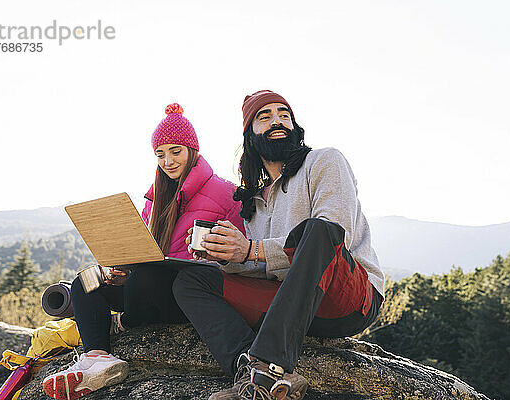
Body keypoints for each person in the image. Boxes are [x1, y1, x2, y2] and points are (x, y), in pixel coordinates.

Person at [173, 90, 385, 400]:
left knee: (318, 230)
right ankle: (247, 371)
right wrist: (226, 256)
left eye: (284, 115)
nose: (278, 121)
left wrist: (252, 249)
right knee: (190, 280)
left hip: (347, 296)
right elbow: (262, 267)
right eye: (265, 116)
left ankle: (268, 369)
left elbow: (337, 236)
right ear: (250, 135)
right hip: (289, 303)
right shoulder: (253, 199)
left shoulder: (325, 160)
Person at [42, 103, 245, 400]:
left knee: (146, 277)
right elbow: (146, 251)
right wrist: (121, 271)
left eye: (176, 151)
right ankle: (98, 358)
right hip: (147, 286)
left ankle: (125, 323)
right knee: (85, 282)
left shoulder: (225, 192)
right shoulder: (154, 200)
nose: (168, 161)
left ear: (192, 150)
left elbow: (237, 251)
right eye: (160, 154)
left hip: (189, 294)